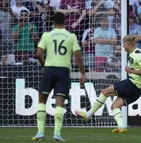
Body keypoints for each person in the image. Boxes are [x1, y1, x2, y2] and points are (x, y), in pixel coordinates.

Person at [75, 35, 141, 133]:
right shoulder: (134, 53)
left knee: (105, 91)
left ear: (128, 44)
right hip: (137, 90)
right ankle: (121, 127)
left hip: (133, 85)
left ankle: (88, 115)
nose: (123, 46)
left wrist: (131, 71)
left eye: (124, 44)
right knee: (114, 106)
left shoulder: (137, 55)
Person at [31, 12, 86, 141]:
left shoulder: (47, 35)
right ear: (65, 22)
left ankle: (40, 132)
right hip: (63, 71)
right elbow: (77, 55)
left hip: (49, 70)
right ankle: (57, 134)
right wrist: (83, 73)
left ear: (53, 23)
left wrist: (44, 65)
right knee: (60, 101)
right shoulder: (71, 36)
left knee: (42, 100)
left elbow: (38, 54)